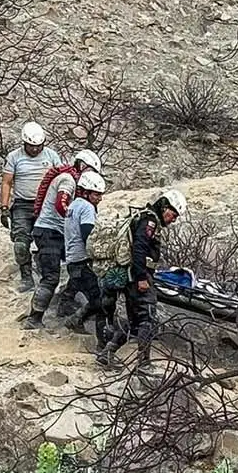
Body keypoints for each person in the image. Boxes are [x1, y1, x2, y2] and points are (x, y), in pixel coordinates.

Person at [99, 188, 185, 368]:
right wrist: (141, 278)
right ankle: (144, 362)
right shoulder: (149, 221)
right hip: (139, 276)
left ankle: (107, 353)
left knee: (134, 322)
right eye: (173, 214)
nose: (173, 219)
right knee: (148, 318)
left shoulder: (145, 217)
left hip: (134, 275)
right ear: (164, 207)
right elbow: (139, 249)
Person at [24, 149, 102, 330]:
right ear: (83, 165)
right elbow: (61, 203)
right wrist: (73, 218)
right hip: (50, 232)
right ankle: (34, 318)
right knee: (51, 277)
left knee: (78, 266)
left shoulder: (70, 179)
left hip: (53, 232)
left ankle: (65, 303)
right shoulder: (67, 180)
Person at [0, 123, 61, 293]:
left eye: (38, 146)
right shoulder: (14, 157)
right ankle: (26, 275)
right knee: (20, 243)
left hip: (46, 205)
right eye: (32, 146)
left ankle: (45, 271)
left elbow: (61, 178)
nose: (35, 150)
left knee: (47, 241)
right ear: (24, 143)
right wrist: (4, 207)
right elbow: (7, 182)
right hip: (22, 204)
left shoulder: (52, 156)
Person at [59, 171, 106, 333]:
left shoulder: (73, 206)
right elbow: (88, 234)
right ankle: (76, 319)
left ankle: (66, 310)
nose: (99, 198)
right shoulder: (87, 208)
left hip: (72, 258)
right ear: (86, 192)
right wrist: (100, 254)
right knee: (99, 298)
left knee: (75, 287)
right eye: (96, 194)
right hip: (82, 260)